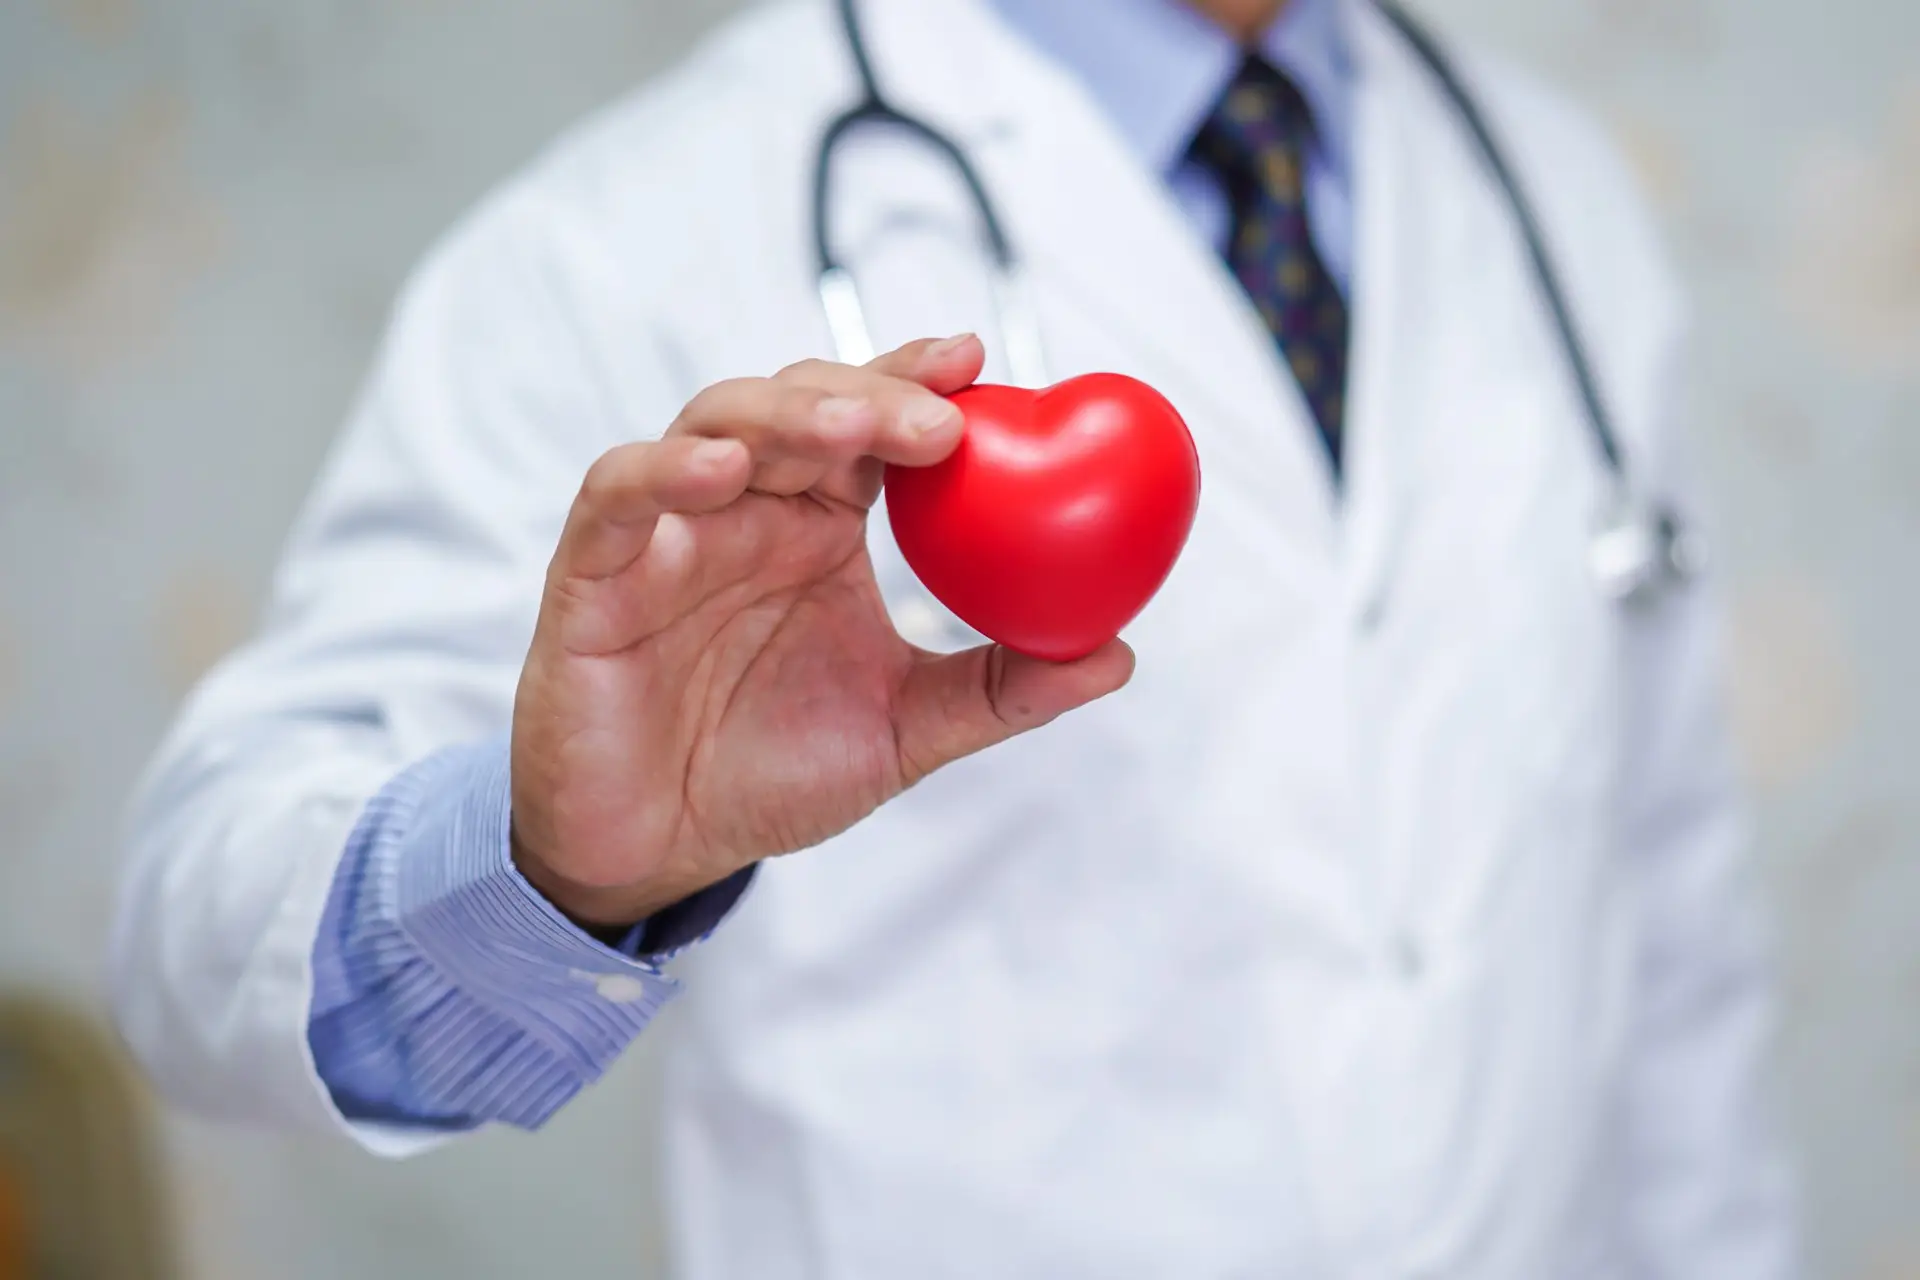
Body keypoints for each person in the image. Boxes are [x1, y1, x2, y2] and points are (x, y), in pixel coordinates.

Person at [111, 0, 1800, 1274]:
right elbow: (196, 938)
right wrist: (555, 870)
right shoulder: (622, 241)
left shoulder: (1554, 207)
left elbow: (1672, 957)